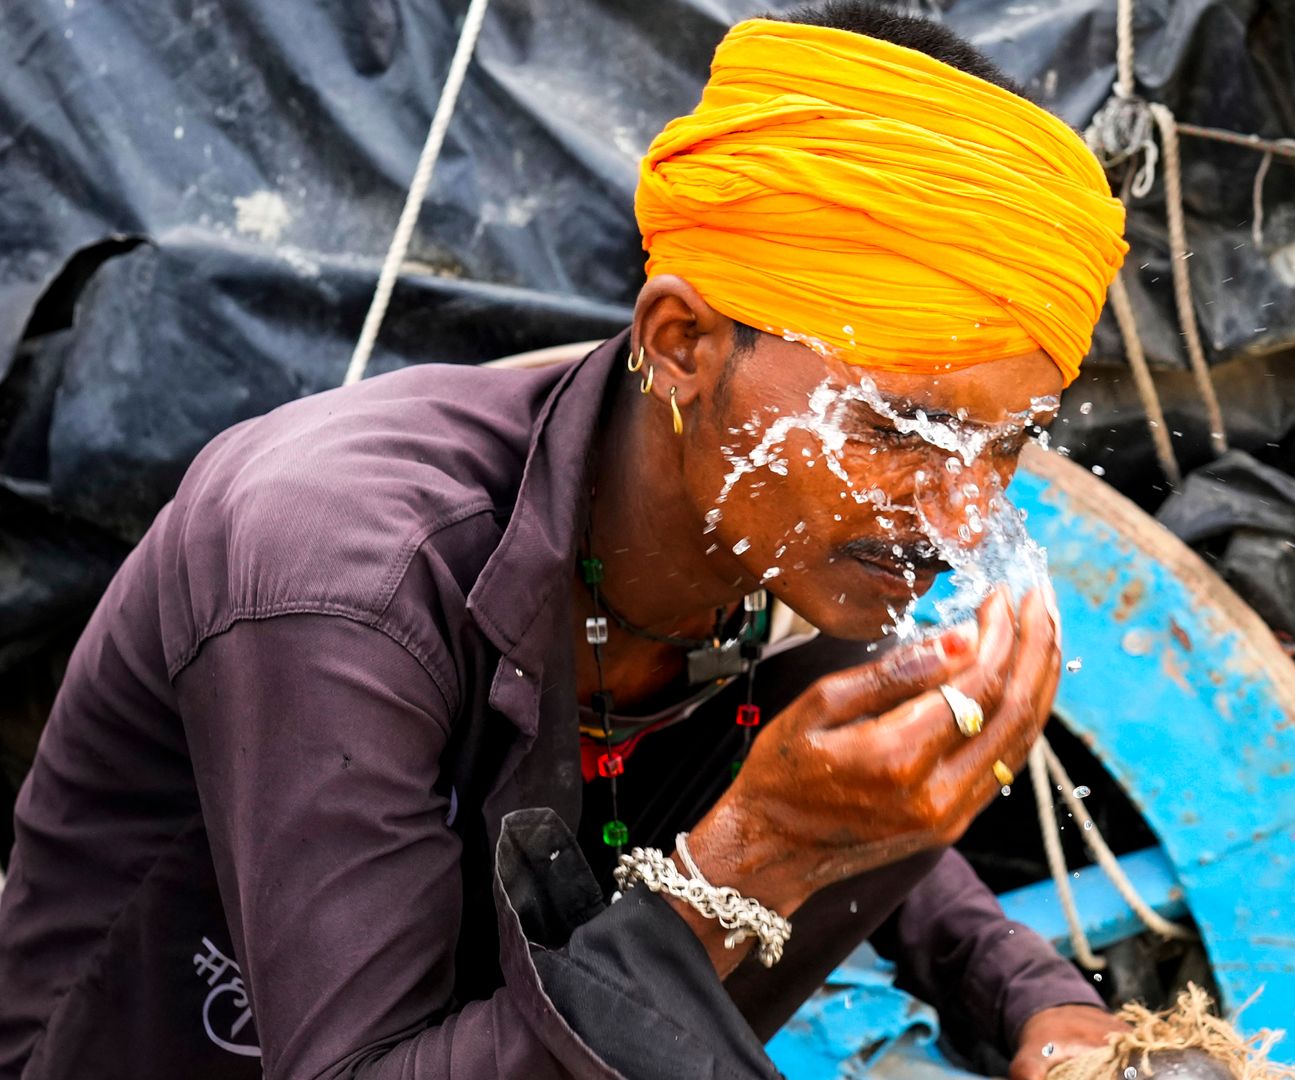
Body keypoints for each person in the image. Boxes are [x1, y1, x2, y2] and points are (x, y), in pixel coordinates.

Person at [0, 3, 1134, 1079]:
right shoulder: (341, 573)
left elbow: (846, 806)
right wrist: (759, 853)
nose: (966, 514)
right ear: (683, 340)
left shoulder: (756, 550)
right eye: (896, 427)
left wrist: (1040, 999)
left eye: (1009, 445)